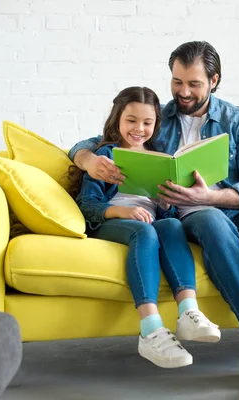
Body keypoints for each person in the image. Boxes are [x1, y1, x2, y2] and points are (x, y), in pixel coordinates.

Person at [68, 42, 239, 400]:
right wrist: (86, 159)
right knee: (211, 221)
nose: (183, 92)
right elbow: (101, 140)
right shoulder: (158, 117)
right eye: (177, 82)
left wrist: (212, 195)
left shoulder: (237, 120)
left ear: (214, 81)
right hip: (194, 215)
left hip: (237, 207)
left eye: (193, 84)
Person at [68, 86, 221, 370]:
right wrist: (122, 211)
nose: (139, 128)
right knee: (145, 231)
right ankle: (150, 329)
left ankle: (189, 312)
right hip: (113, 221)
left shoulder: (158, 156)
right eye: (131, 120)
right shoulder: (106, 155)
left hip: (149, 219)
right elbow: (87, 205)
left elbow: (168, 212)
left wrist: (164, 203)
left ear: (156, 124)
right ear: (117, 119)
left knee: (172, 224)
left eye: (147, 122)